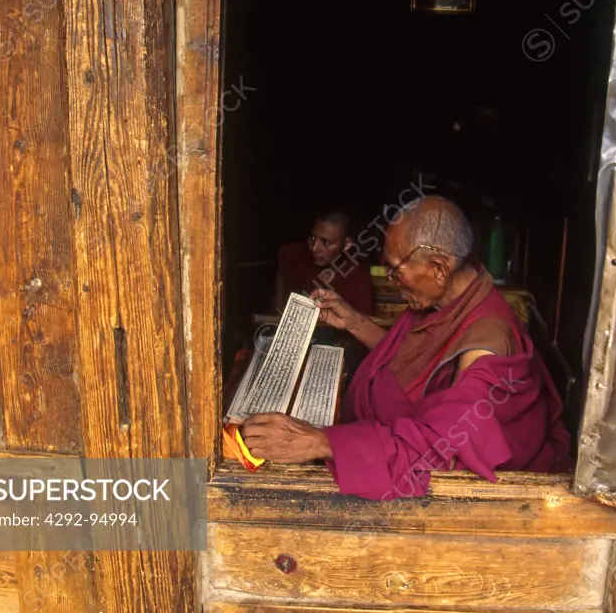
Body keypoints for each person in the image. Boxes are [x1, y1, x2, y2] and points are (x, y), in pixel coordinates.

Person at [239, 196, 572, 500]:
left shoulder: (485, 345)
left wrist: (319, 442)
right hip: (368, 430)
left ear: (439, 267)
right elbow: (413, 361)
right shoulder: (456, 297)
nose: (393, 284)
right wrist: (354, 322)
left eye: (396, 271)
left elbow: (443, 452)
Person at [273, 210, 374, 316]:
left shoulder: (357, 275)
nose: (314, 248)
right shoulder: (292, 257)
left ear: (347, 245)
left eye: (325, 242)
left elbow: (362, 322)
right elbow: (276, 311)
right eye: (312, 238)